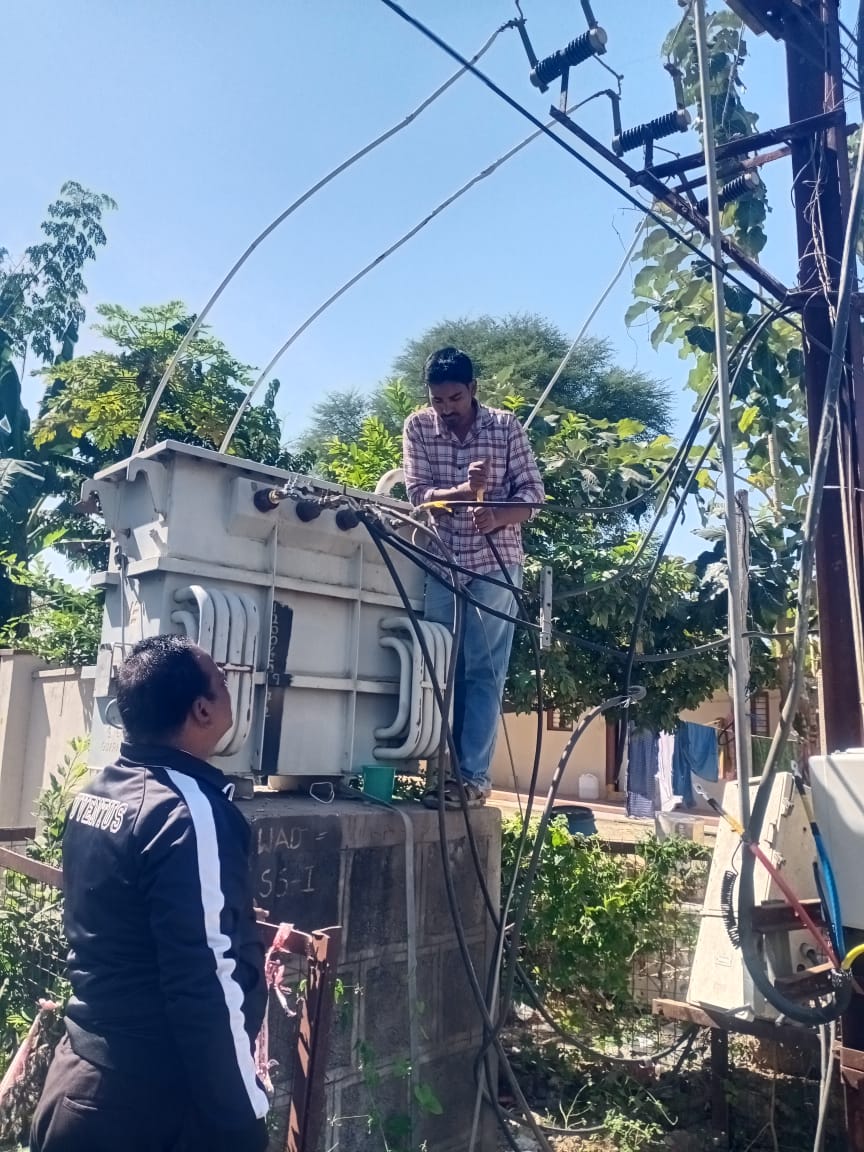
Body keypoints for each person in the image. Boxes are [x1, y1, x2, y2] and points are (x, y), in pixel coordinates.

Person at [30, 635, 269, 1152]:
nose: (231, 688)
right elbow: (206, 974)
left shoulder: (97, 793)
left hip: (79, 1082)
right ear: (202, 710)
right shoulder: (185, 812)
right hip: (143, 1107)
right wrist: (240, 1116)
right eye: (222, 682)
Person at [402, 346, 545, 807]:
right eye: (438, 400)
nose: (446, 409)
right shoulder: (418, 426)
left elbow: (533, 497)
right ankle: (435, 775)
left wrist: (499, 514)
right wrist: (466, 491)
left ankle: (472, 781)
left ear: (473, 390)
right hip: (441, 560)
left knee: (483, 671)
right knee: (437, 667)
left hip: (493, 562)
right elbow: (419, 495)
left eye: (455, 399)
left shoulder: (505, 427)